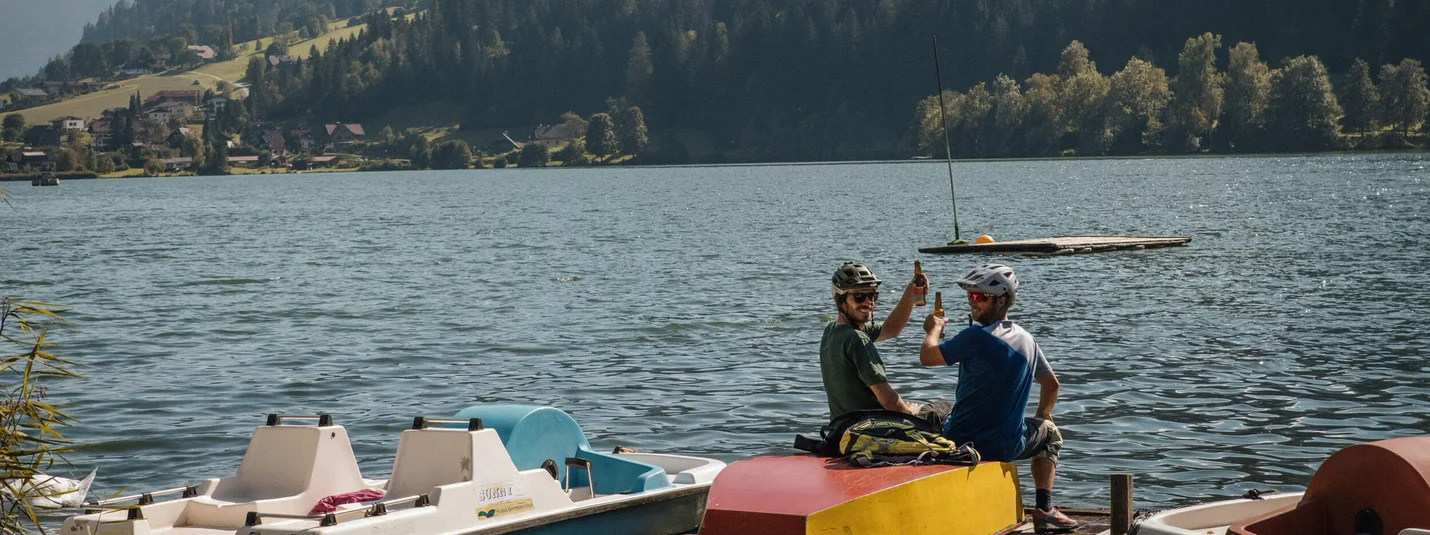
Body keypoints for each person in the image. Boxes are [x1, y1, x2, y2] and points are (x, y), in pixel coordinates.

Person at [919, 263, 1078, 533]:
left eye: (980, 297)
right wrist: (1043, 415)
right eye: (970, 297)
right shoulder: (1028, 340)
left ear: (1003, 300)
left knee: (931, 408)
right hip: (1007, 446)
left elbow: (927, 356)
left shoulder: (974, 337)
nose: (973, 303)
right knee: (1049, 435)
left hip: (961, 440)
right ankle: (1044, 509)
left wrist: (933, 328)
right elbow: (1051, 385)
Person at [820, 262, 950, 426]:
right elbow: (889, 402)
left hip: (842, 429)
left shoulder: (832, 331)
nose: (868, 302)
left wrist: (911, 291)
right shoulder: (857, 338)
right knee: (944, 408)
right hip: (872, 429)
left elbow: (891, 328)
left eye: (873, 296)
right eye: (859, 296)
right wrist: (911, 412)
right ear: (841, 299)